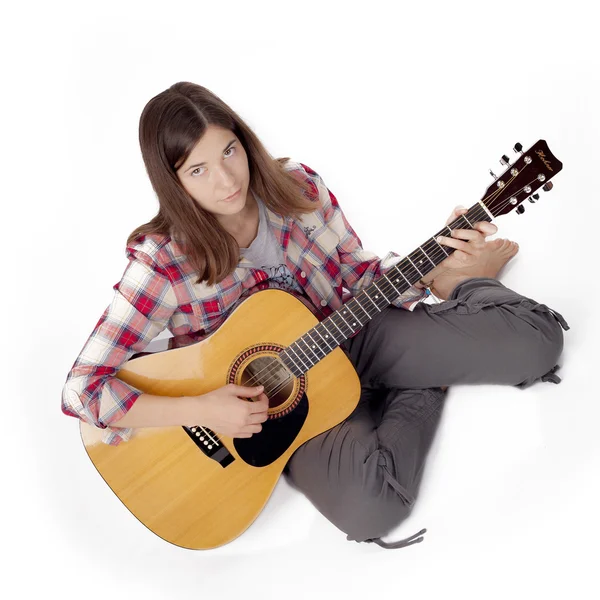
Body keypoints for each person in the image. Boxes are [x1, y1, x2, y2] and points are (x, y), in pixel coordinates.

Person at [61, 81, 569, 550]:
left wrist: (438, 257)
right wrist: (206, 410)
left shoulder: (297, 188)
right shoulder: (161, 264)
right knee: (369, 509)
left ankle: (461, 280)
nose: (225, 179)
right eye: (198, 170)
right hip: (283, 413)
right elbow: (82, 389)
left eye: (229, 152)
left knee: (536, 344)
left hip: (353, 334)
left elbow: (358, 275)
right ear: (172, 183)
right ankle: (423, 381)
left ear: (244, 140)